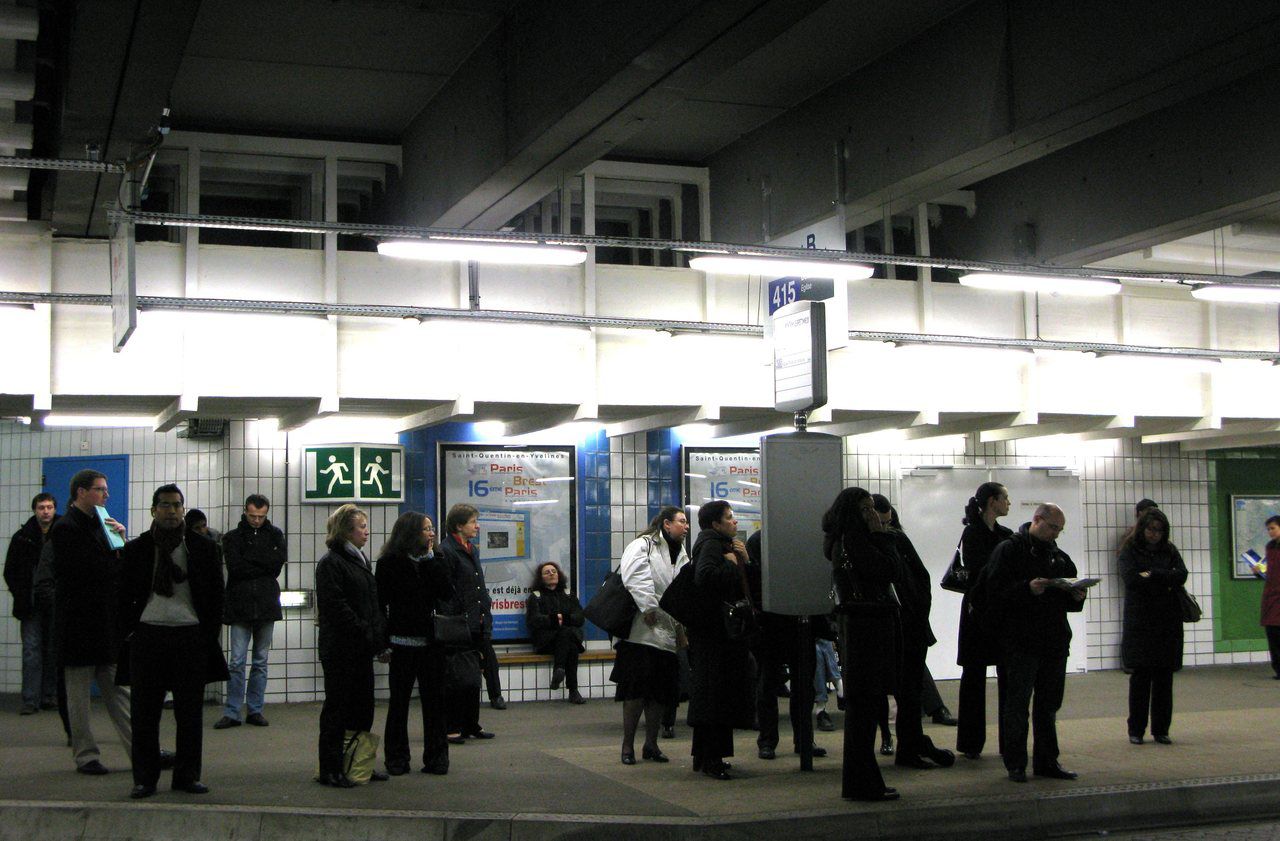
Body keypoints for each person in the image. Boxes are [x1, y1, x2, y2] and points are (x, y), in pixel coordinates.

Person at [117, 484, 228, 798]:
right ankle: (145, 779)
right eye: (164, 505)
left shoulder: (204, 548)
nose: (171, 510)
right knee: (144, 714)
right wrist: (129, 632)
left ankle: (187, 776)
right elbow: (122, 595)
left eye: (177, 505)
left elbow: (217, 596)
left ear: (183, 509)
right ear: (153, 510)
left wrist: (208, 636)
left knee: (190, 713)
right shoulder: (137, 549)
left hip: (189, 637)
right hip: (147, 636)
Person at [986, 503, 1086, 783]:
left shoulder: (1060, 558)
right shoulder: (1009, 550)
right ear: (1037, 519)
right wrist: (1026, 589)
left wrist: (1076, 596)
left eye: (1060, 530)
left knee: (1048, 705)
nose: (1056, 534)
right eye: (1053, 527)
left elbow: (1068, 599)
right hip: (1020, 641)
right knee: (1017, 704)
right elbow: (992, 594)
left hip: (1053, 641)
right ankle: (1015, 763)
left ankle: (1046, 761)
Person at [49, 469, 132, 775]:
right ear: (80, 492)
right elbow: (89, 571)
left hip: (103, 623)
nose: (106, 495)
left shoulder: (101, 524)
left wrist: (121, 542)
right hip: (77, 625)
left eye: (106, 490)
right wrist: (116, 557)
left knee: (120, 691)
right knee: (79, 698)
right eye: (100, 489)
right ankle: (85, 755)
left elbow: (114, 568)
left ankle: (141, 749)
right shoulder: (65, 528)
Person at [822, 487, 902, 802]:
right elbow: (889, 570)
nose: (873, 512)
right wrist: (880, 534)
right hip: (868, 627)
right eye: (866, 507)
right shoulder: (856, 541)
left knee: (865, 709)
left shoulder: (840, 541)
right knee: (865, 709)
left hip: (858, 628)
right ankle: (862, 783)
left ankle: (865, 780)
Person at [872, 494, 954, 770]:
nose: (885, 527)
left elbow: (922, 577)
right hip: (894, 627)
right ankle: (908, 745)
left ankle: (911, 745)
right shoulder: (873, 545)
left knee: (910, 694)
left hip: (911, 625)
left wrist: (919, 611)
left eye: (888, 521)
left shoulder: (896, 539)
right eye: (880, 522)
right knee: (898, 693)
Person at [314, 504, 389, 787]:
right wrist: (366, 632)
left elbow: (371, 605)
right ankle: (330, 769)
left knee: (362, 708)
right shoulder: (331, 563)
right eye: (361, 527)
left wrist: (376, 637)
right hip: (341, 649)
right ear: (346, 530)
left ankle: (359, 764)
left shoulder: (359, 560)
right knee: (338, 709)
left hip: (360, 647)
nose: (366, 532)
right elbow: (336, 607)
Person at [375, 511, 453, 776]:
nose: (432, 533)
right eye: (426, 529)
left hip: (432, 643)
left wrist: (431, 561)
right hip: (401, 642)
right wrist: (382, 642)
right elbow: (380, 605)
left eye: (432, 529)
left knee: (435, 703)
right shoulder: (389, 563)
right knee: (399, 703)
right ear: (410, 533)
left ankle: (437, 758)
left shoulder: (437, 558)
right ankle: (396, 758)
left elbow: (446, 593)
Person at [612, 506, 689, 766]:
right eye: (681, 521)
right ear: (666, 524)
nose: (686, 526)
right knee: (635, 693)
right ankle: (627, 746)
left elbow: (683, 587)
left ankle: (651, 745)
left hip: (667, 633)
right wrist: (649, 608)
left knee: (660, 694)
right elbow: (634, 576)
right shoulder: (643, 544)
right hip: (640, 632)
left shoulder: (681, 553)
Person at [744, 529, 826, 762]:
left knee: (783, 685)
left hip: (780, 621)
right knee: (776, 684)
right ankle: (790, 740)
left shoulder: (761, 540)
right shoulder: (770, 540)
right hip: (783, 622)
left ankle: (781, 741)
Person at [686, 501, 753, 780]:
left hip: (710, 632)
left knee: (711, 693)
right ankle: (712, 757)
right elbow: (705, 577)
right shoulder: (714, 545)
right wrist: (731, 564)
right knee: (716, 695)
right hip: (716, 633)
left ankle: (704, 756)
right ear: (715, 524)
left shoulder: (713, 542)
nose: (734, 522)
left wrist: (743, 560)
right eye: (729, 517)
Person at [215, 494, 286, 730]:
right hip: (243, 605)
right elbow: (236, 567)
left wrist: (252, 561)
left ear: (266, 513)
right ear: (245, 512)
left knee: (259, 661)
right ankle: (234, 711)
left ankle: (253, 709)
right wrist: (262, 562)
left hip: (262, 604)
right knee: (237, 661)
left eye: (261, 516)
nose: (256, 520)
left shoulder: (275, 534)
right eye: (253, 516)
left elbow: (275, 566)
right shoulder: (233, 537)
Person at [954, 481, 1012, 760]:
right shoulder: (972, 533)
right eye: (1005, 498)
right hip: (978, 610)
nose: (1008, 503)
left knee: (1008, 677)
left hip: (1000, 612)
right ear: (992, 502)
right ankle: (970, 743)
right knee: (973, 677)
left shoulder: (1005, 534)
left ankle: (1009, 741)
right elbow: (981, 570)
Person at [1119, 508, 1187, 745]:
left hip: (1167, 623)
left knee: (1164, 679)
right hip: (1140, 622)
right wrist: (1163, 576)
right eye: (1150, 529)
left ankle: (1161, 730)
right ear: (1142, 528)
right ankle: (1136, 730)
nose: (1154, 535)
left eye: (1159, 531)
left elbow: (1181, 575)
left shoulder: (1170, 550)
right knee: (1140, 679)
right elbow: (1131, 578)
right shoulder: (1129, 550)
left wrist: (1152, 574)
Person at [437, 503, 496, 742]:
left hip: (476, 620)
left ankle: (471, 724)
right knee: (456, 678)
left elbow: (477, 584)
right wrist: (456, 616)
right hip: (458, 624)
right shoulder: (446, 550)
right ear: (459, 525)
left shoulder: (471, 549)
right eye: (473, 522)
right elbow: (447, 590)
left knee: (473, 676)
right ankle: (452, 725)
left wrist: (485, 608)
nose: (477, 526)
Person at [5, 492, 58, 715]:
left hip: (55, 604)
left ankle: (48, 696)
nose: (45, 511)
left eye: (49, 507)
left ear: (54, 509)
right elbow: (10, 571)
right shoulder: (22, 537)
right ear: (34, 510)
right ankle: (30, 699)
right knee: (31, 652)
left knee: (52, 651)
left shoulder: (64, 534)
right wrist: (21, 594)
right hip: (31, 604)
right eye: (41, 507)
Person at [525, 561, 586, 704]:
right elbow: (533, 620)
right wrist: (556, 619)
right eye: (547, 572)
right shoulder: (536, 596)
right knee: (570, 642)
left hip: (565, 640)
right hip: (546, 642)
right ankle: (573, 691)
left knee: (568, 642)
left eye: (554, 571)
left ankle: (559, 670)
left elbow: (580, 618)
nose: (551, 574)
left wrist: (561, 619)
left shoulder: (569, 595)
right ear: (541, 578)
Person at [1263, 516, 1280, 681]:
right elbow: (1270, 571)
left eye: (1273, 528)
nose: (1270, 532)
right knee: (1273, 633)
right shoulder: (1270, 546)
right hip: (1271, 595)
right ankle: (1278, 668)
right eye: (1268, 529)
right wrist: (1259, 571)